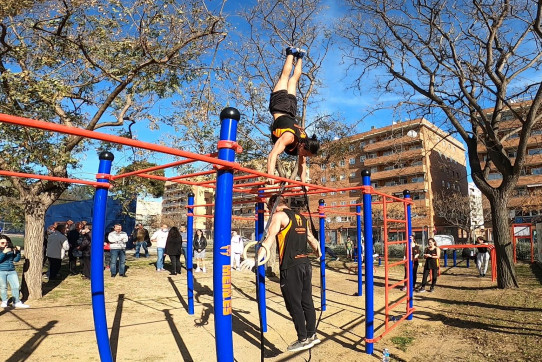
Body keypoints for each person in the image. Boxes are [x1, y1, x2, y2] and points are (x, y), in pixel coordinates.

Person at [241, 194, 322, 352]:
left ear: (273, 206)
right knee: (307, 301)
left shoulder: (278, 216)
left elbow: (269, 239)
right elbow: (311, 239)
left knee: (293, 304)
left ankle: (303, 339)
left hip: (291, 266)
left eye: (269, 209)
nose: (269, 212)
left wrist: (256, 260)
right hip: (305, 264)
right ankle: (312, 335)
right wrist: (319, 253)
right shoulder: (300, 217)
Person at [267, 46, 320, 185]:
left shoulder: (304, 141)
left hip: (291, 110)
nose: (304, 157)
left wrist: (304, 184)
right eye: (306, 154)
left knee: (293, 80)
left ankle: (301, 56)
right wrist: (270, 175)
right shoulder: (289, 137)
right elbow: (272, 155)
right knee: (285, 77)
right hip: (280, 107)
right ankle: (290, 53)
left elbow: (302, 165)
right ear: (304, 146)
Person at [0, 235, 29, 308]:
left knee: (16, 286)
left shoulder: (10, 250)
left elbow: (16, 260)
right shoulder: (2, 251)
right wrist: (4, 253)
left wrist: (18, 252)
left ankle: (16, 302)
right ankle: (4, 301)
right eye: (2, 243)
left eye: (7, 242)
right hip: (1, 271)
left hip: (11, 271)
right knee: (3, 287)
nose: (5, 244)